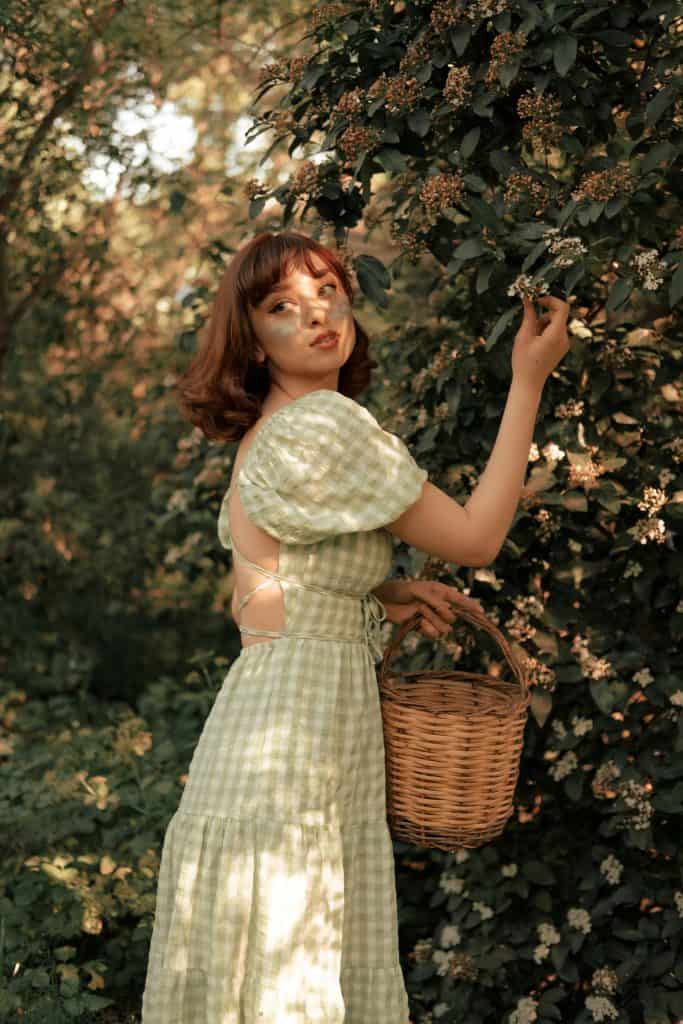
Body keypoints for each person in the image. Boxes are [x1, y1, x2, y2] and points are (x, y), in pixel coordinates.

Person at [140, 229, 571, 1023]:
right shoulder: (322, 426)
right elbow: (476, 539)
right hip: (298, 752)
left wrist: (375, 592)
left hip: (265, 732)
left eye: (327, 290)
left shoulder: (266, 434)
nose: (315, 313)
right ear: (252, 340)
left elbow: (264, 605)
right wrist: (527, 381)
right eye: (281, 305)